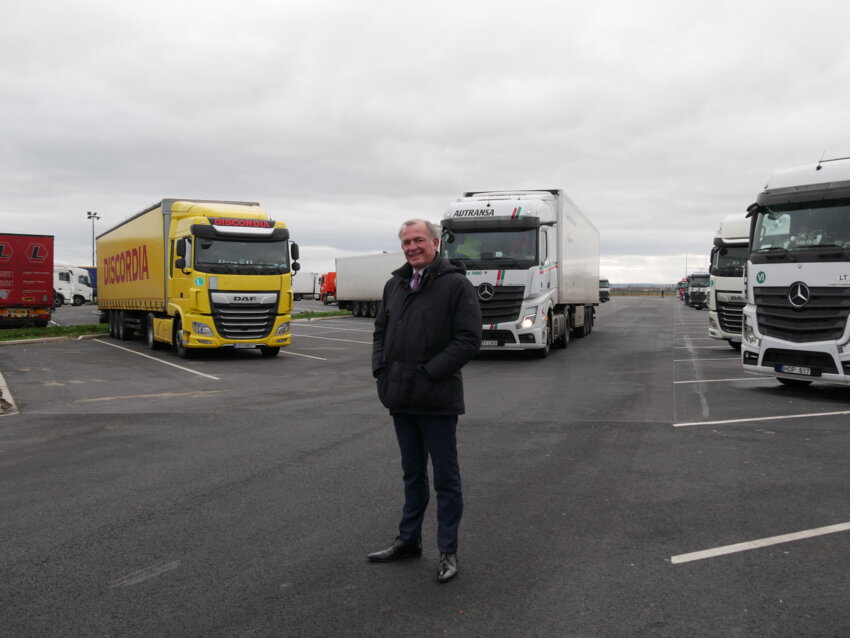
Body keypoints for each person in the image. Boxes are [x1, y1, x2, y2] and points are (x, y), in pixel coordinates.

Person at [369, 219, 482, 583]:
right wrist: (381, 371)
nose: (412, 247)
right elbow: (380, 332)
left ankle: (448, 550)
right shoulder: (395, 285)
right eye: (406, 242)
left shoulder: (455, 285)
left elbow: (468, 340)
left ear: (435, 243)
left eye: (418, 240)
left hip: (436, 399)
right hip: (400, 397)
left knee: (446, 481)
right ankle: (408, 540)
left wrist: (430, 373)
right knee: (411, 474)